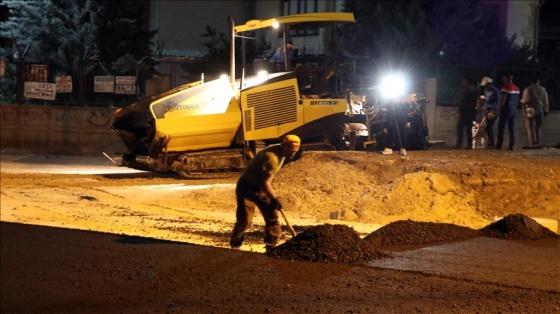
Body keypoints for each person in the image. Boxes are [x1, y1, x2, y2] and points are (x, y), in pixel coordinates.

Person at [230, 135, 301, 250]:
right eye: (291, 151)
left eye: (295, 152)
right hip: (246, 187)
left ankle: (271, 246)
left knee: (272, 218)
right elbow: (264, 181)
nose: (293, 154)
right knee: (245, 220)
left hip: (260, 187)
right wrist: (274, 198)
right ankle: (235, 243)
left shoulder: (281, 151)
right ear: (283, 146)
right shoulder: (272, 158)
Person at [520, 78, 550, 147]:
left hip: (531, 109)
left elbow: (525, 100)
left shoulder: (528, 89)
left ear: (531, 82)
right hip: (540, 109)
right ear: (538, 82)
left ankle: (532, 142)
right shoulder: (543, 90)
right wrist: (546, 110)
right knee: (538, 127)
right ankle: (538, 142)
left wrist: (522, 101)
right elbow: (546, 101)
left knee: (530, 126)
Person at [496, 74, 520, 150]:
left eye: (504, 79)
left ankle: (499, 144)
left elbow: (503, 99)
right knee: (511, 128)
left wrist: (499, 109)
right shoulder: (516, 88)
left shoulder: (506, 87)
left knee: (501, 127)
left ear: (507, 79)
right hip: (514, 109)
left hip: (506, 109)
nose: (503, 81)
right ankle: (511, 145)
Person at [454, 77, 478, 149]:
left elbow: (462, 102)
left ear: (466, 81)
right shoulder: (474, 90)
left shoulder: (465, 90)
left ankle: (459, 144)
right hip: (471, 112)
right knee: (469, 130)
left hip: (464, 113)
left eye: (463, 81)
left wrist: (460, 112)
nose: (462, 82)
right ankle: (469, 145)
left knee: (460, 128)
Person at [479, 77, 500, 148]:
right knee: (487, 127)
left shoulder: (495, 91)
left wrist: (493, 111)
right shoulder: (486, 91)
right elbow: (487, 101)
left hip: (492, 110)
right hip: (487, 109)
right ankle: (490, 143)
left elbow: (497, 102)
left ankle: (491, 143)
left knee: (488, 126)